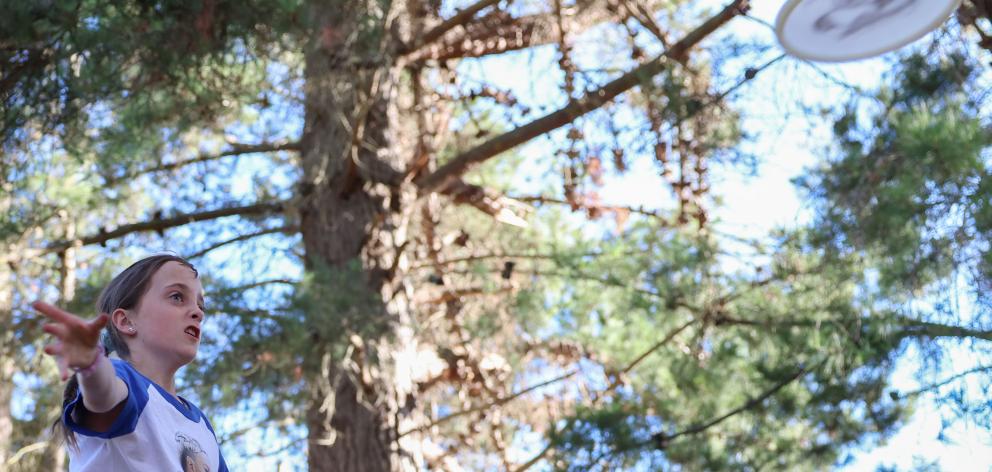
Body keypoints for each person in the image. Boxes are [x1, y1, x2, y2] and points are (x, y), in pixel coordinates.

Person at [34, 254, 229, 471]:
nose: (198, 313)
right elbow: (103, 395)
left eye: (201, 305)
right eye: (177, 297)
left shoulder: (202, 426)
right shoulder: (126, 383)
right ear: (126, 321)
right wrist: (91, 364)